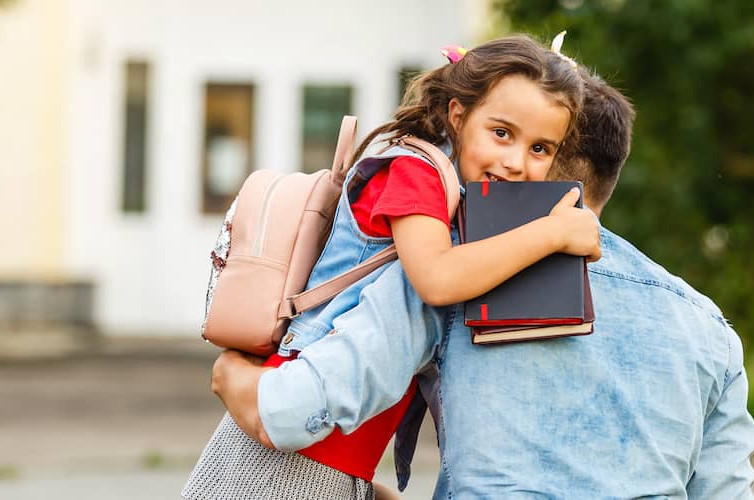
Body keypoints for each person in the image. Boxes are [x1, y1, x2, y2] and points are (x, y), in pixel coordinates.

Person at [211, 69, 754, 498]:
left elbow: (291, 412)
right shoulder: (707, 328)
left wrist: (232, 372)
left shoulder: (457, 277)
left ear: (541, 165)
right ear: (609, 172)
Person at [184, 35, 603, 499]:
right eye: (501, 133)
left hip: (326, 455)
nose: (516, 162)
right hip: (286, 460)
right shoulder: (415, 171)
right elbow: (437, 279)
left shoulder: (461, 201)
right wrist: (554, 233)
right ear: (458, 115)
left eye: (540, 149)